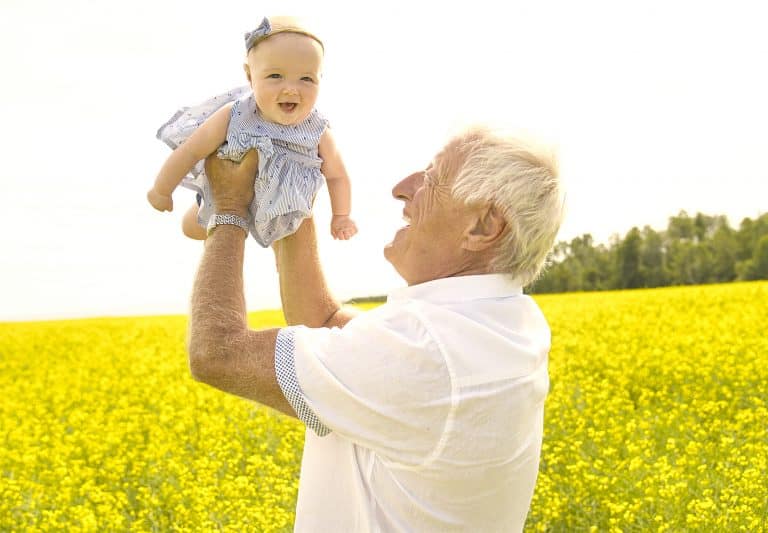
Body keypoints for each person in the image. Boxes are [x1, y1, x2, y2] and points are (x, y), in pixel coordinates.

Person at [187, 127, 565, 532]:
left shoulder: (428, 351)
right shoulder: (506, 322)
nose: (402, 189)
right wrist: (293, 192)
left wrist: (228, 209)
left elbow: (218, 353)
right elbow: (327, 324)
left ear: (483, 227)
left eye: (432, 179)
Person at [147, 16, 357, 245]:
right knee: (194, 228)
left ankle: (283, 260)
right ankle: (199, 212)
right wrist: (162, 189)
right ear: (250, 76)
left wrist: (341, 215)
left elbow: (337, 175)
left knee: (293, 243)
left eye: (306, 79)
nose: (291, 89)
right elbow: (191, 151)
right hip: (226, 199)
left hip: (285, 212)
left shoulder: (317, 129)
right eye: (275, 76)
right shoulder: (236, 114)